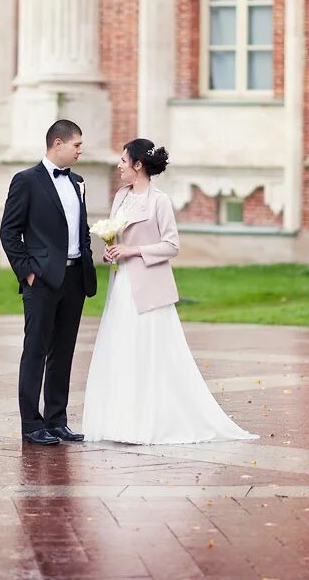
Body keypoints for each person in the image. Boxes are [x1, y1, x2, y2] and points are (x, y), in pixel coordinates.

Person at [82, 138, 257, 445]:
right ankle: (119, 420)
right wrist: (111, 250)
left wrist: (132, 250)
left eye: (124, 161)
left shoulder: (159, 201)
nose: (119, 166)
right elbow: (117, 236)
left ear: (138, 165)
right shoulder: (121, 196)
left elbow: (171, 245)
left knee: (149, 352)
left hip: (150, 288)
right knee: (122, 349)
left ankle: (152, 421)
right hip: (122, 285)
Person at [0, 119, 98, 446]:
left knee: (64, 351)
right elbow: (9, 232)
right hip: (41, 281)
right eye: (77, 145)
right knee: (36, 350)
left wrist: (86, 257)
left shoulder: (78, 181)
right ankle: (31, 425)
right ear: (58, 143)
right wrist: (27, 271)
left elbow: (81, 227)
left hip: (74, 279)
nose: (81, 150)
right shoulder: (26, 181)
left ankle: (57, 420)